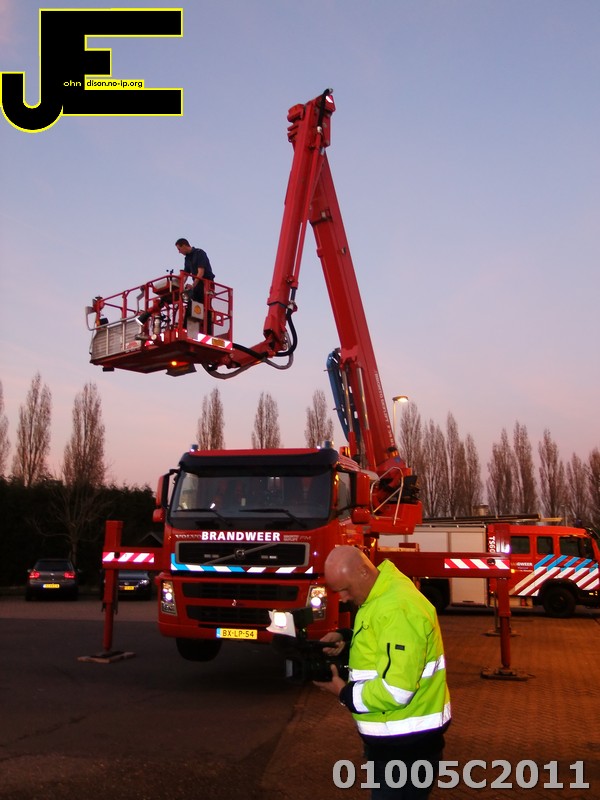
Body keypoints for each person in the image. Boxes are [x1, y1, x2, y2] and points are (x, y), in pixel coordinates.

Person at [314, 546, 451, 799]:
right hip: (399, 745)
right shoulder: (382, 595)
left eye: (345, 589)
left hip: (405, 752)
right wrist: (347, 638)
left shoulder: (397, 608)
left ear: (363, 572)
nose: (342, 598)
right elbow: (384, 641)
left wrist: (343, 693)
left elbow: (396, 690)